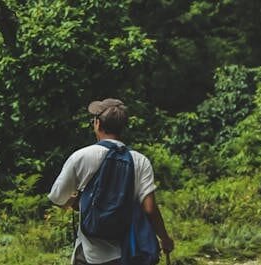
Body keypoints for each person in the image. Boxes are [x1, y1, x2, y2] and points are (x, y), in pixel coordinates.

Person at [48, 98, 174, 265]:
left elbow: (57, 198)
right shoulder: (140, 161)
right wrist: (164, 239)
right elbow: (150, 209)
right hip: (127, 252)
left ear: (97, 124)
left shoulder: (81, 156)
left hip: (90, 253)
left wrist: (77, 201)